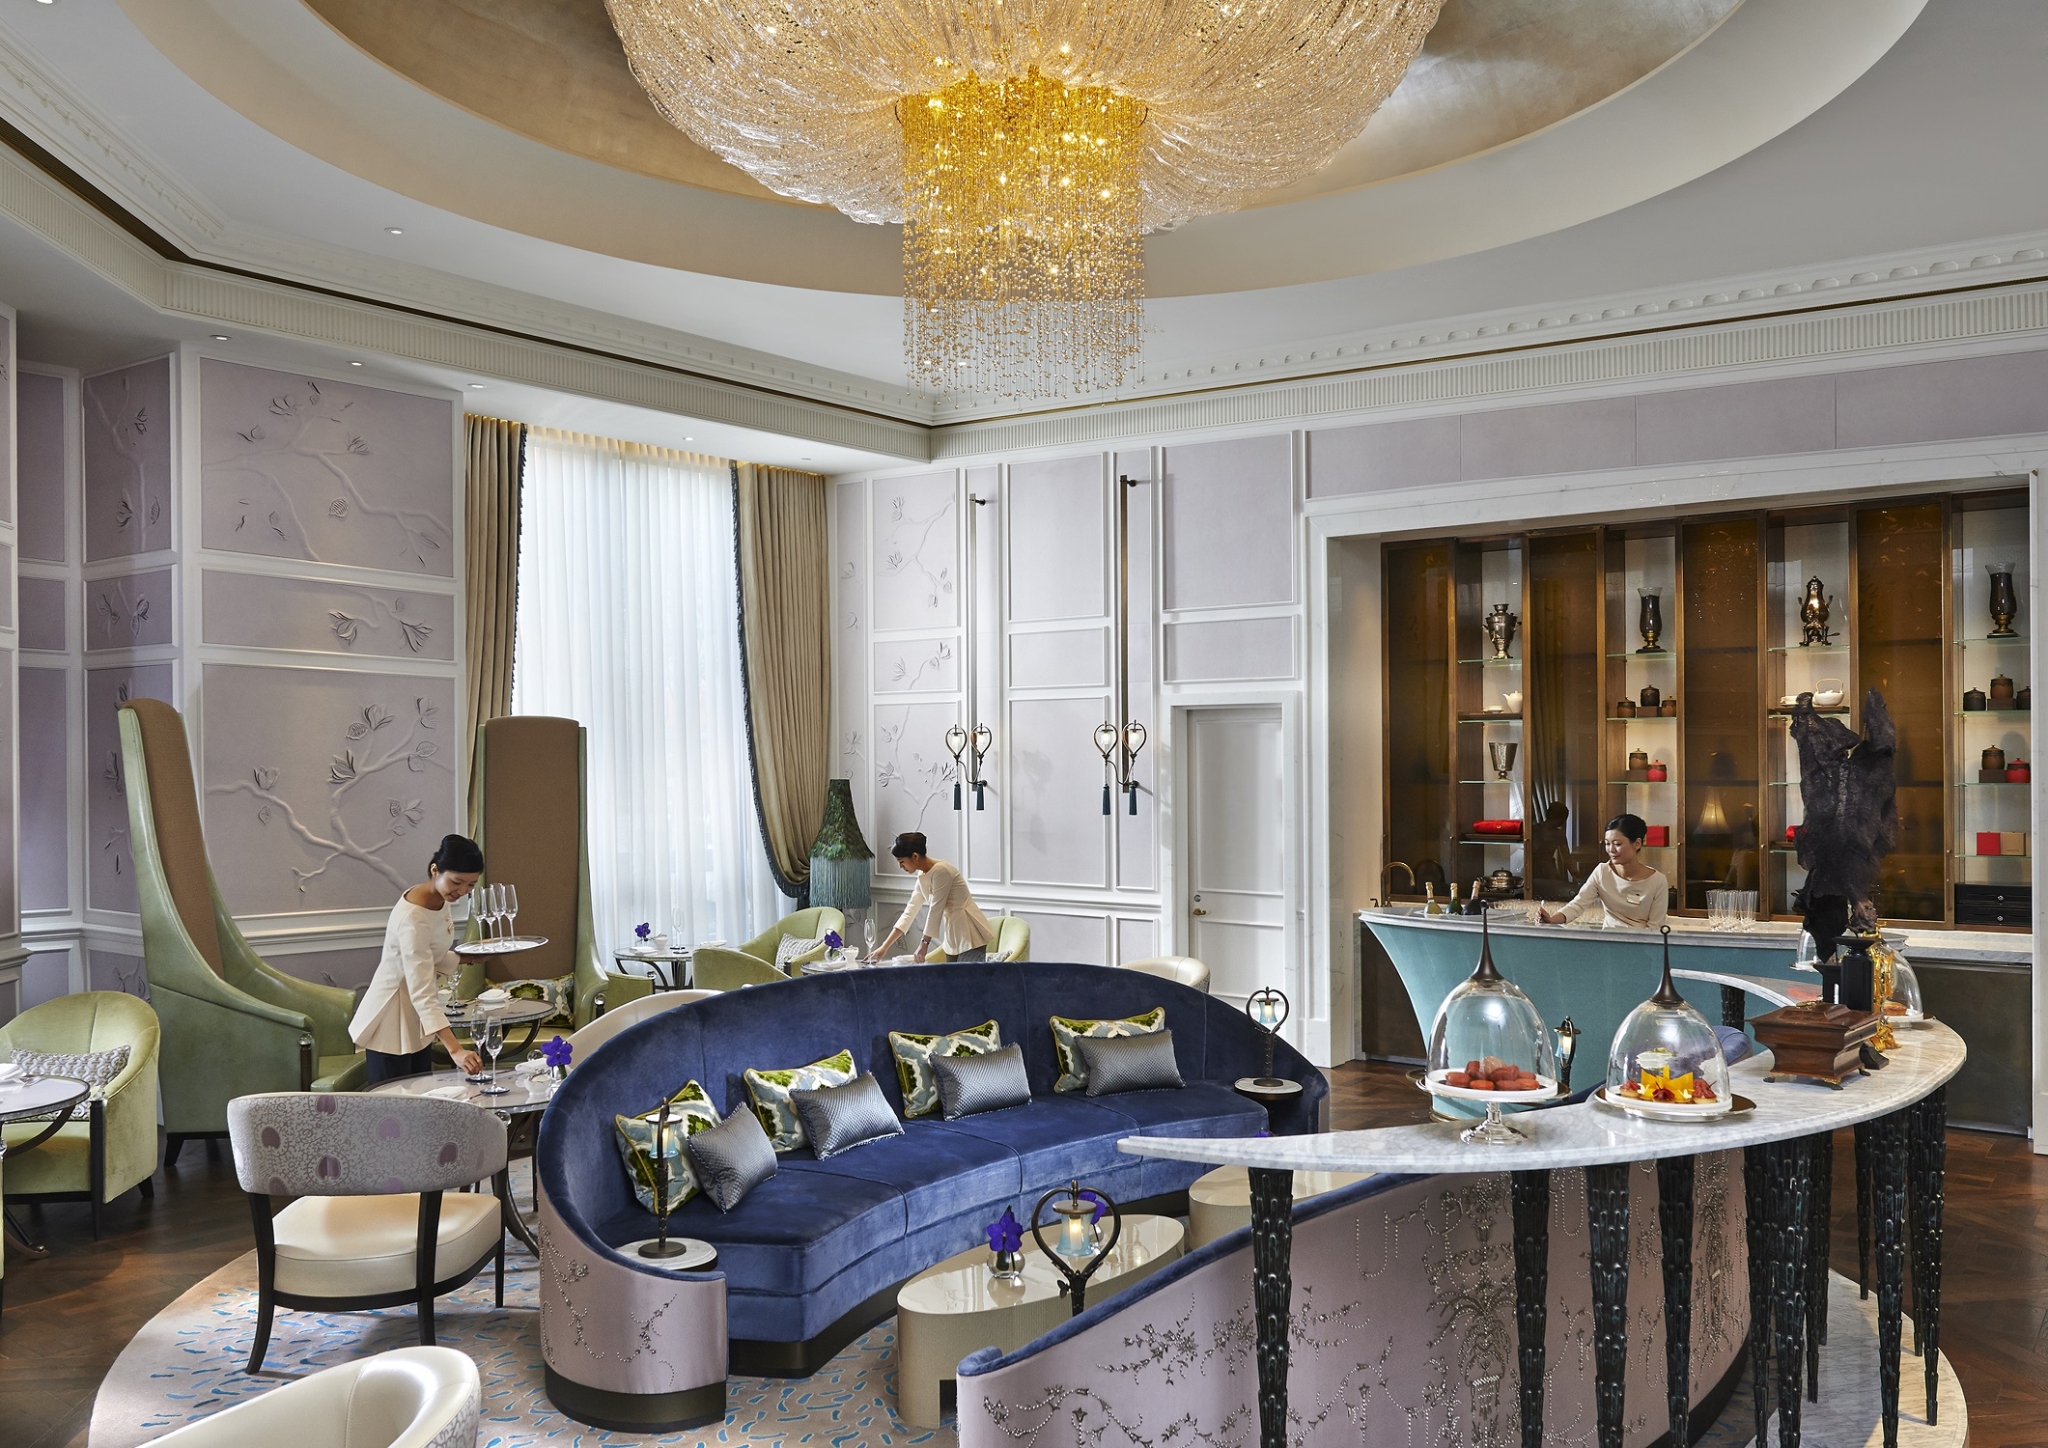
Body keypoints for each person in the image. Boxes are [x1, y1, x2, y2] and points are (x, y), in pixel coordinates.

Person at [349, 834, 487, 1084]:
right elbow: (422, 991)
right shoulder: (413, 919)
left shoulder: (438, 898)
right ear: (435, 870)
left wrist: (468, 958)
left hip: (417, 1019)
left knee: (421, 1097)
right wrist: (455, 1049)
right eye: (457, 882)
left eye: (470, 885)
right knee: (393, 1103)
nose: (462, 891)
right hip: (392, 1020)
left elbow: (426, 955)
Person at [871, 832, 995, 963]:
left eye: (901, 861)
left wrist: (924, 944)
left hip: (969, 933)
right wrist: (884, 947)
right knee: (950, 976)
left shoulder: (942, 871)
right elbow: (910, 912)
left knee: (966, 975)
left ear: (915, 856)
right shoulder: (922, 875)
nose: (900, 866)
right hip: (953, 935)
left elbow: (936, 909)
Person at [1535, 813, 1670, 930]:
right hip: (1608, 941)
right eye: (1607, 843)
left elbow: (1655, 928)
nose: (1611, 850)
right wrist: (1551, 920)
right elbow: (1577, 905)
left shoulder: (1658, 881)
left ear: (1637, 844)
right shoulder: (1602, 872)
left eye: (1617, 844)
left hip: (1642, 945)